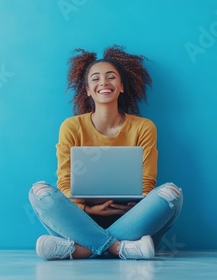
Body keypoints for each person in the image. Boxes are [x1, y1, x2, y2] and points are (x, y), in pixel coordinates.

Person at [28, 45, 183, 260]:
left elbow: (147, 183)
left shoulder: (144, 127)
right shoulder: (71, 127)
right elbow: (64, 184)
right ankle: (120, 248)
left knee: (172, 195)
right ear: (88, 90)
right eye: (95, 79)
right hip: (81, 218)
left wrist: (129, 207)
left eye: (111, 77)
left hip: (132, 218)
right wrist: (90, 210)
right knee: (39, 192)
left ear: (121, 87)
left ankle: (80, 250)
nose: (104, 82)